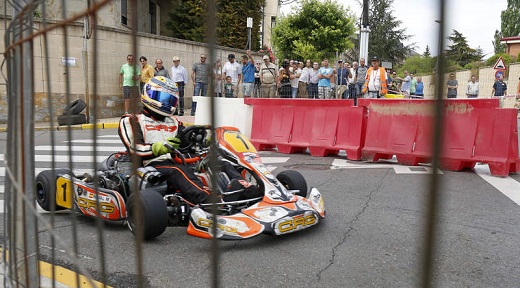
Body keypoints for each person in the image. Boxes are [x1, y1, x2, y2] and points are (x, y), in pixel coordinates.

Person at [119, 76, 258, 205]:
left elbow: (187, 143)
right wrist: (159, 148)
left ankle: (244, 189)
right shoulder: (132, 120)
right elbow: (134, 148)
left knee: (221, 163)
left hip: (176, 160)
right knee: (178, 170)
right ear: (149, 95)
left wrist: (205, 141)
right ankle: (210, 200)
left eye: (170, 100)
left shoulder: (173, 122)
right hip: (150, 164)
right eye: (163, 98)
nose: (167, 103)